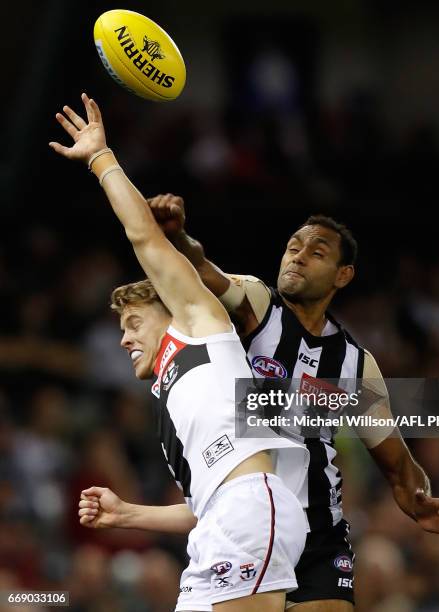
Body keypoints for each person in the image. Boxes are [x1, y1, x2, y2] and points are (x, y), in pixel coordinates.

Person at [79, 192, 439, 612]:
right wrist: (180, 237)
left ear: (343, 275)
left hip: (317, 529)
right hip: (249, 509)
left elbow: (398, 465)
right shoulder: (258, 304)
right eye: (293, 247)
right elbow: (204, 273)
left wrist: (419, 498)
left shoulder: (355, 364)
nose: (297, 257)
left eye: (316, 252)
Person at [49, 93, 311, 612]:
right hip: (222, 522)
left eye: (133, 323)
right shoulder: (175, 403)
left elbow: (143, 237)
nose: (124, 338)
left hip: (250, 515)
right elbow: (203, 503)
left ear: (170, 309)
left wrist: (102, 160)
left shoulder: (198, 326)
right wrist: (126, 515)